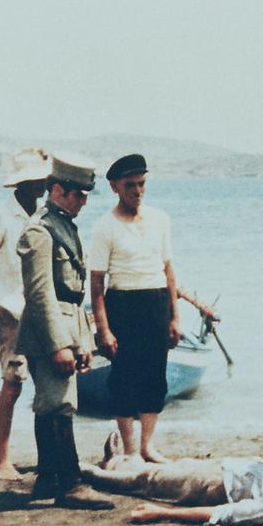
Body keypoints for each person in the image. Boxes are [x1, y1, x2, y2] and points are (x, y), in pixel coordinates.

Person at [16, 153, 113, 510]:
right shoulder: (40, 231)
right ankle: (70, 483)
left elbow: (75, 294)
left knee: (51, 404)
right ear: (58, 190)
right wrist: (59, 345)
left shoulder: (64, 225)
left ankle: (48, 479)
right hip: (50, 328)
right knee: (59, 404)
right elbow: (40, 293)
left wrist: (82, 341)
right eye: (79, 194)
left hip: (67, 321)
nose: (84, 201)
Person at [90, 154, 181, 463]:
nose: (137, 191)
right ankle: (130, 450)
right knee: (124, 378)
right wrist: (103, 329)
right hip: (123, 304)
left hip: (156, 302)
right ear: (115, 186)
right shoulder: (105, 226)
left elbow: (168, 270)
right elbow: (97, 283)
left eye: (141, 184)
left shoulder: (160, 219)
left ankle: (147, 446)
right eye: (130, 185)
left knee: (155, 375)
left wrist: (175, 317)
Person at [82, 434, 263, 526]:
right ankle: (118, 461)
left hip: (216, 484)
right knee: (168, 468)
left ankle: (94, 472)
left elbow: (223, 514)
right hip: (239, 465)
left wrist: (162, 512)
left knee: (150, 481)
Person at [0, 147, 48, 481]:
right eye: (34, 180)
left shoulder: (46, 214)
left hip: (43, 312)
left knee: (48, 386)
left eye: (42, 179)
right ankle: (2, 458)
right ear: (20, 183)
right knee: (12, 384)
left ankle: (48, 456)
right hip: (11, 312)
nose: (40, 185)